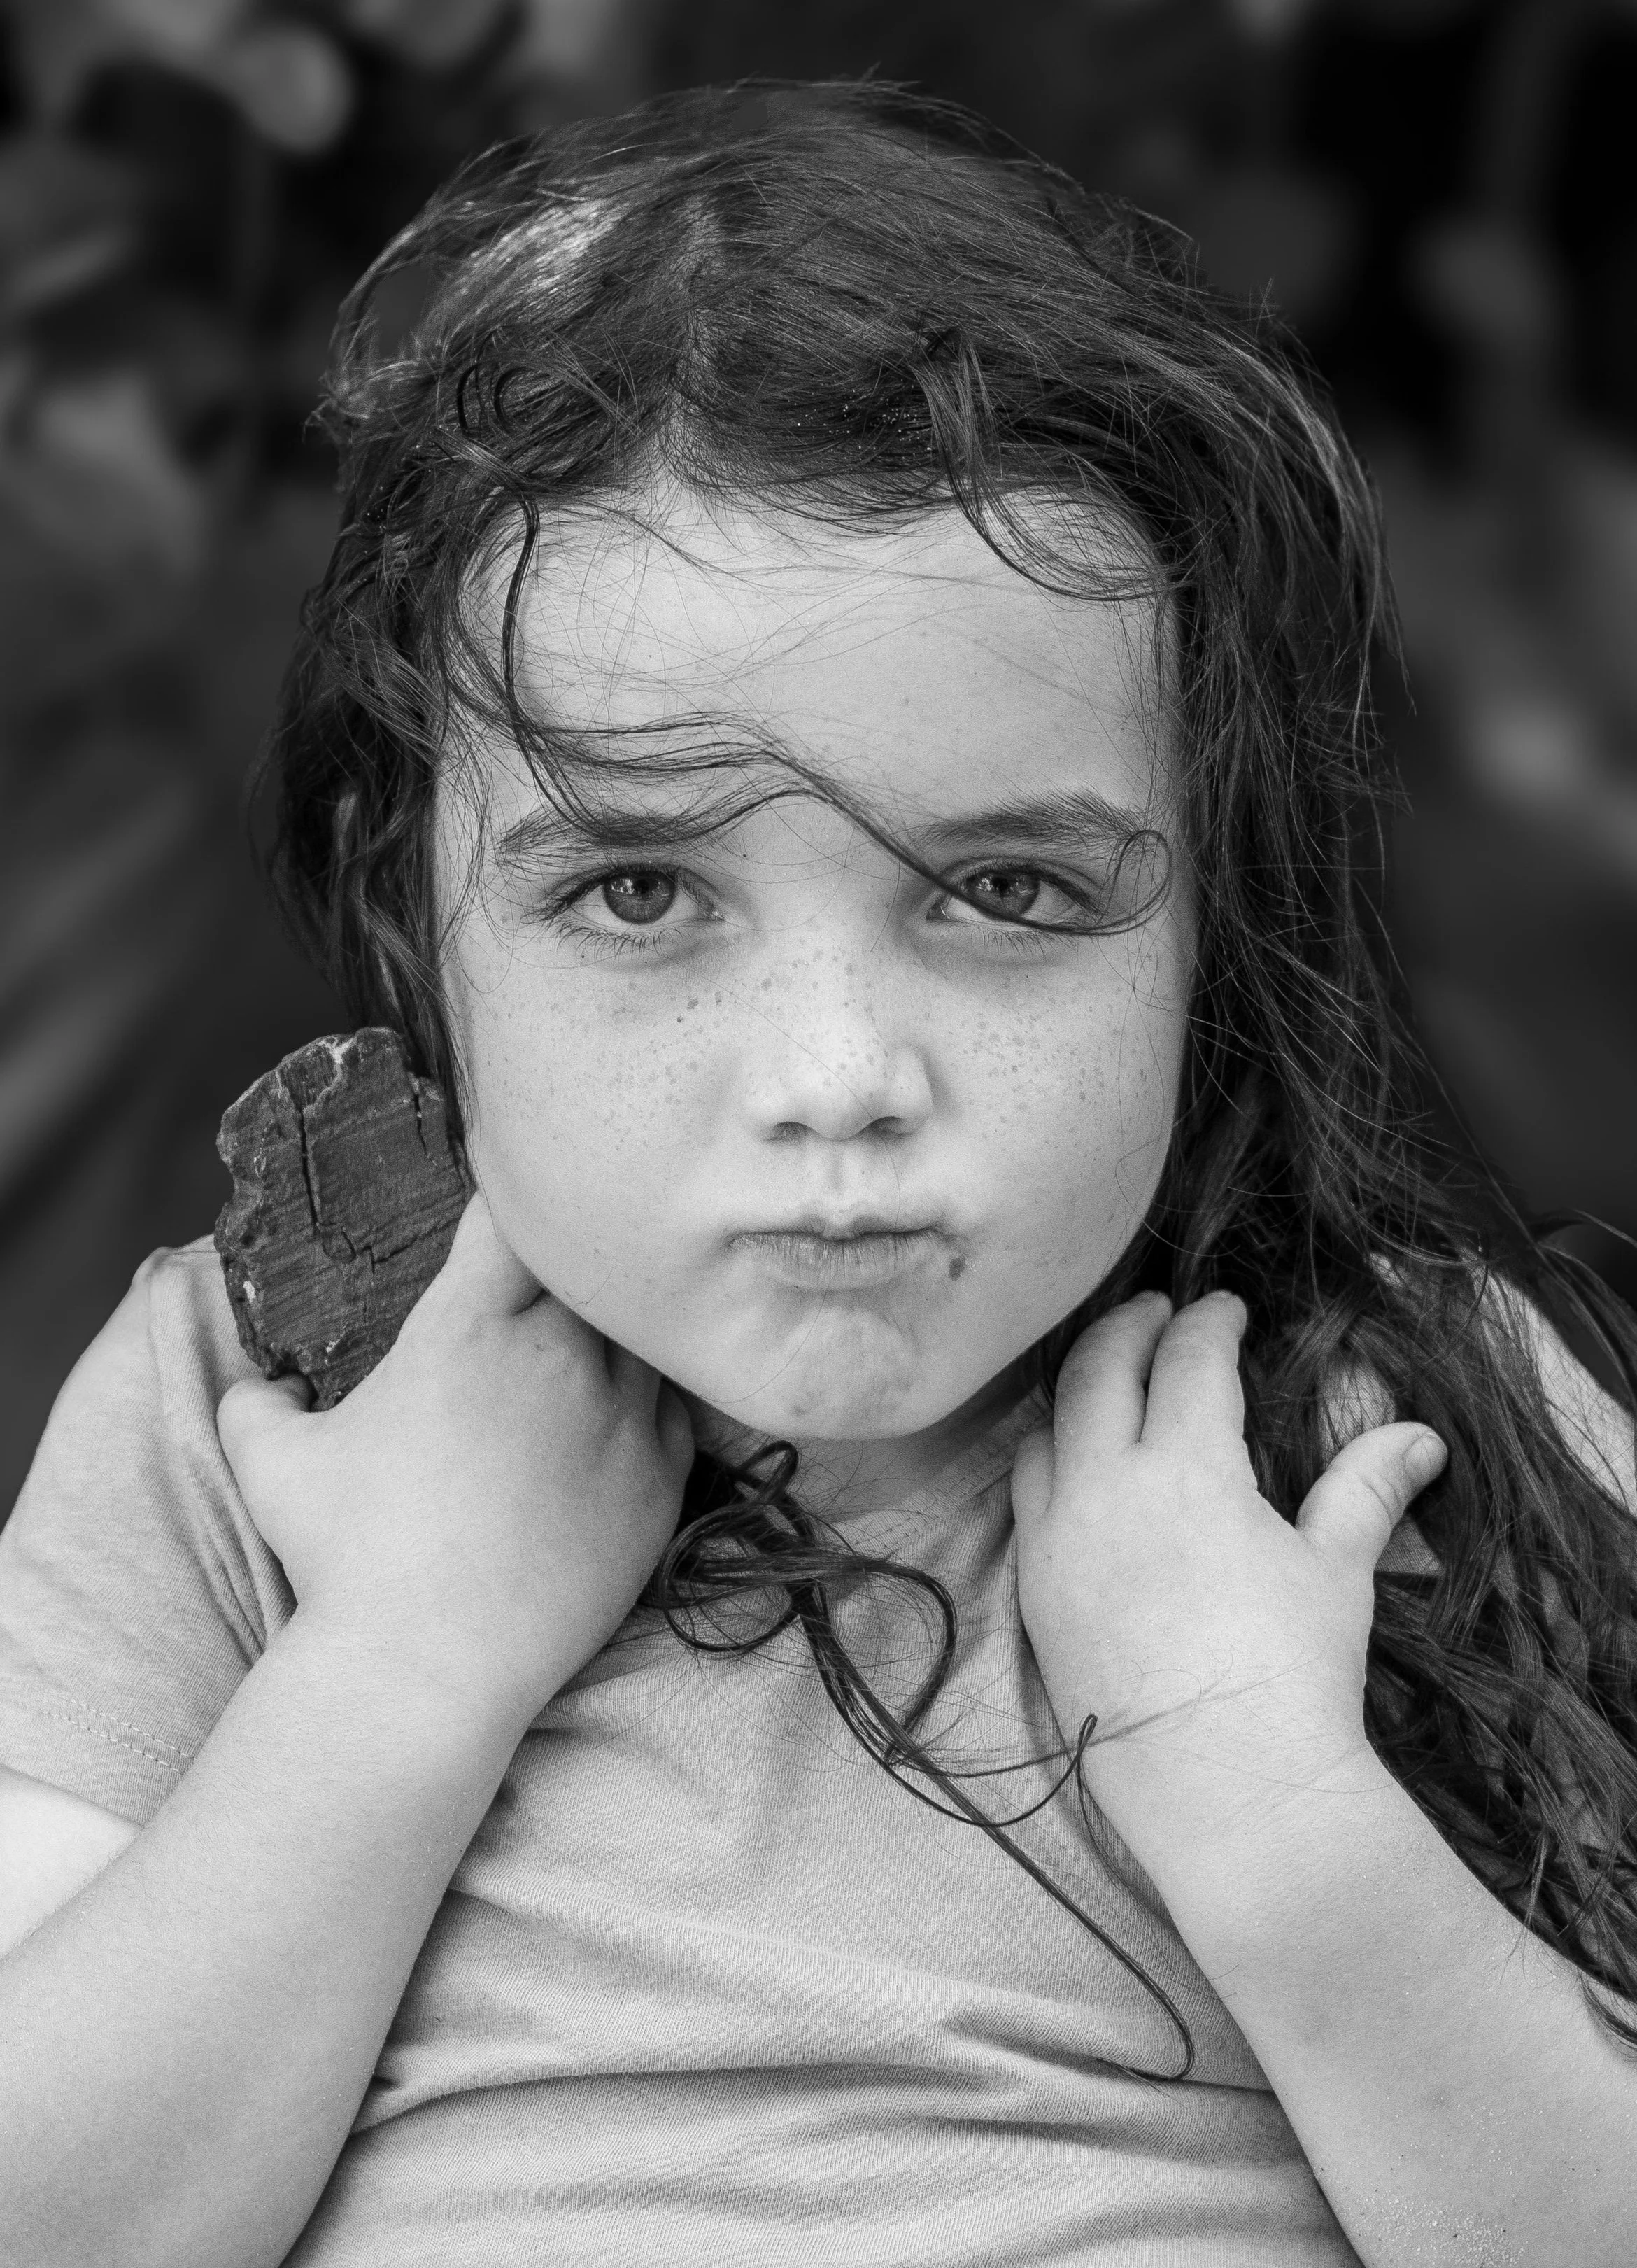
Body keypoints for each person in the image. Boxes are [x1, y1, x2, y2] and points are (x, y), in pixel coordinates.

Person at [0, 83, 1634, 2268]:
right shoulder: (262, 1419)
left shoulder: (1375, 1432)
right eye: (644, 895)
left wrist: (1257, 1781)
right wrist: (398, 1662)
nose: (839, 1079)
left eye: (1009, 891)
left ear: (1206, 926)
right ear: (418, 914)